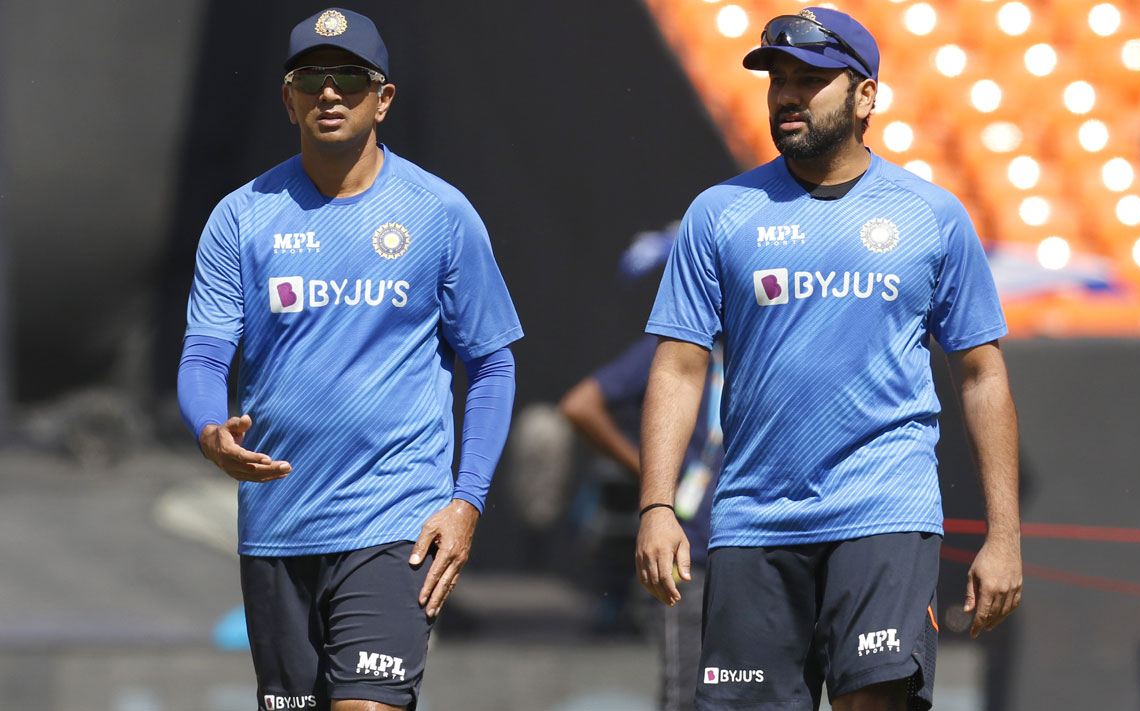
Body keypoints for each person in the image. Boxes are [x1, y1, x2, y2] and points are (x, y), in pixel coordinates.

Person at [634, 8, 1022, 711]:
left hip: (884, 508)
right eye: (777, 78)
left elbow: (981, 372)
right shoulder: (719, 213)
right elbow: (680, 364)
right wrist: (658, 504)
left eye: (810, 79)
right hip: (752, 516)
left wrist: (1005, 535)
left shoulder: (931, 215)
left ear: (866, 95)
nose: (787, 94)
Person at [176, 8, 522, 710]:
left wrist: (466, 501)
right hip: (278, 523)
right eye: (311, 77)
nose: (329, 92)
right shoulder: (242, 217)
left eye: (350, 78)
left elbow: (492, 364)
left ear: (383, 98)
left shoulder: (439, 213)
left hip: (393, 518)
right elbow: (205, 356)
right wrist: (210, 429)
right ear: (289, 98)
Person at [559, 227, 721, 711]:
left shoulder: (756, 347)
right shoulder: (672, 350)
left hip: (756, 544)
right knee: (685, 695)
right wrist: (652, 475)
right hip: (690, 549)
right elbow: (579, 405)